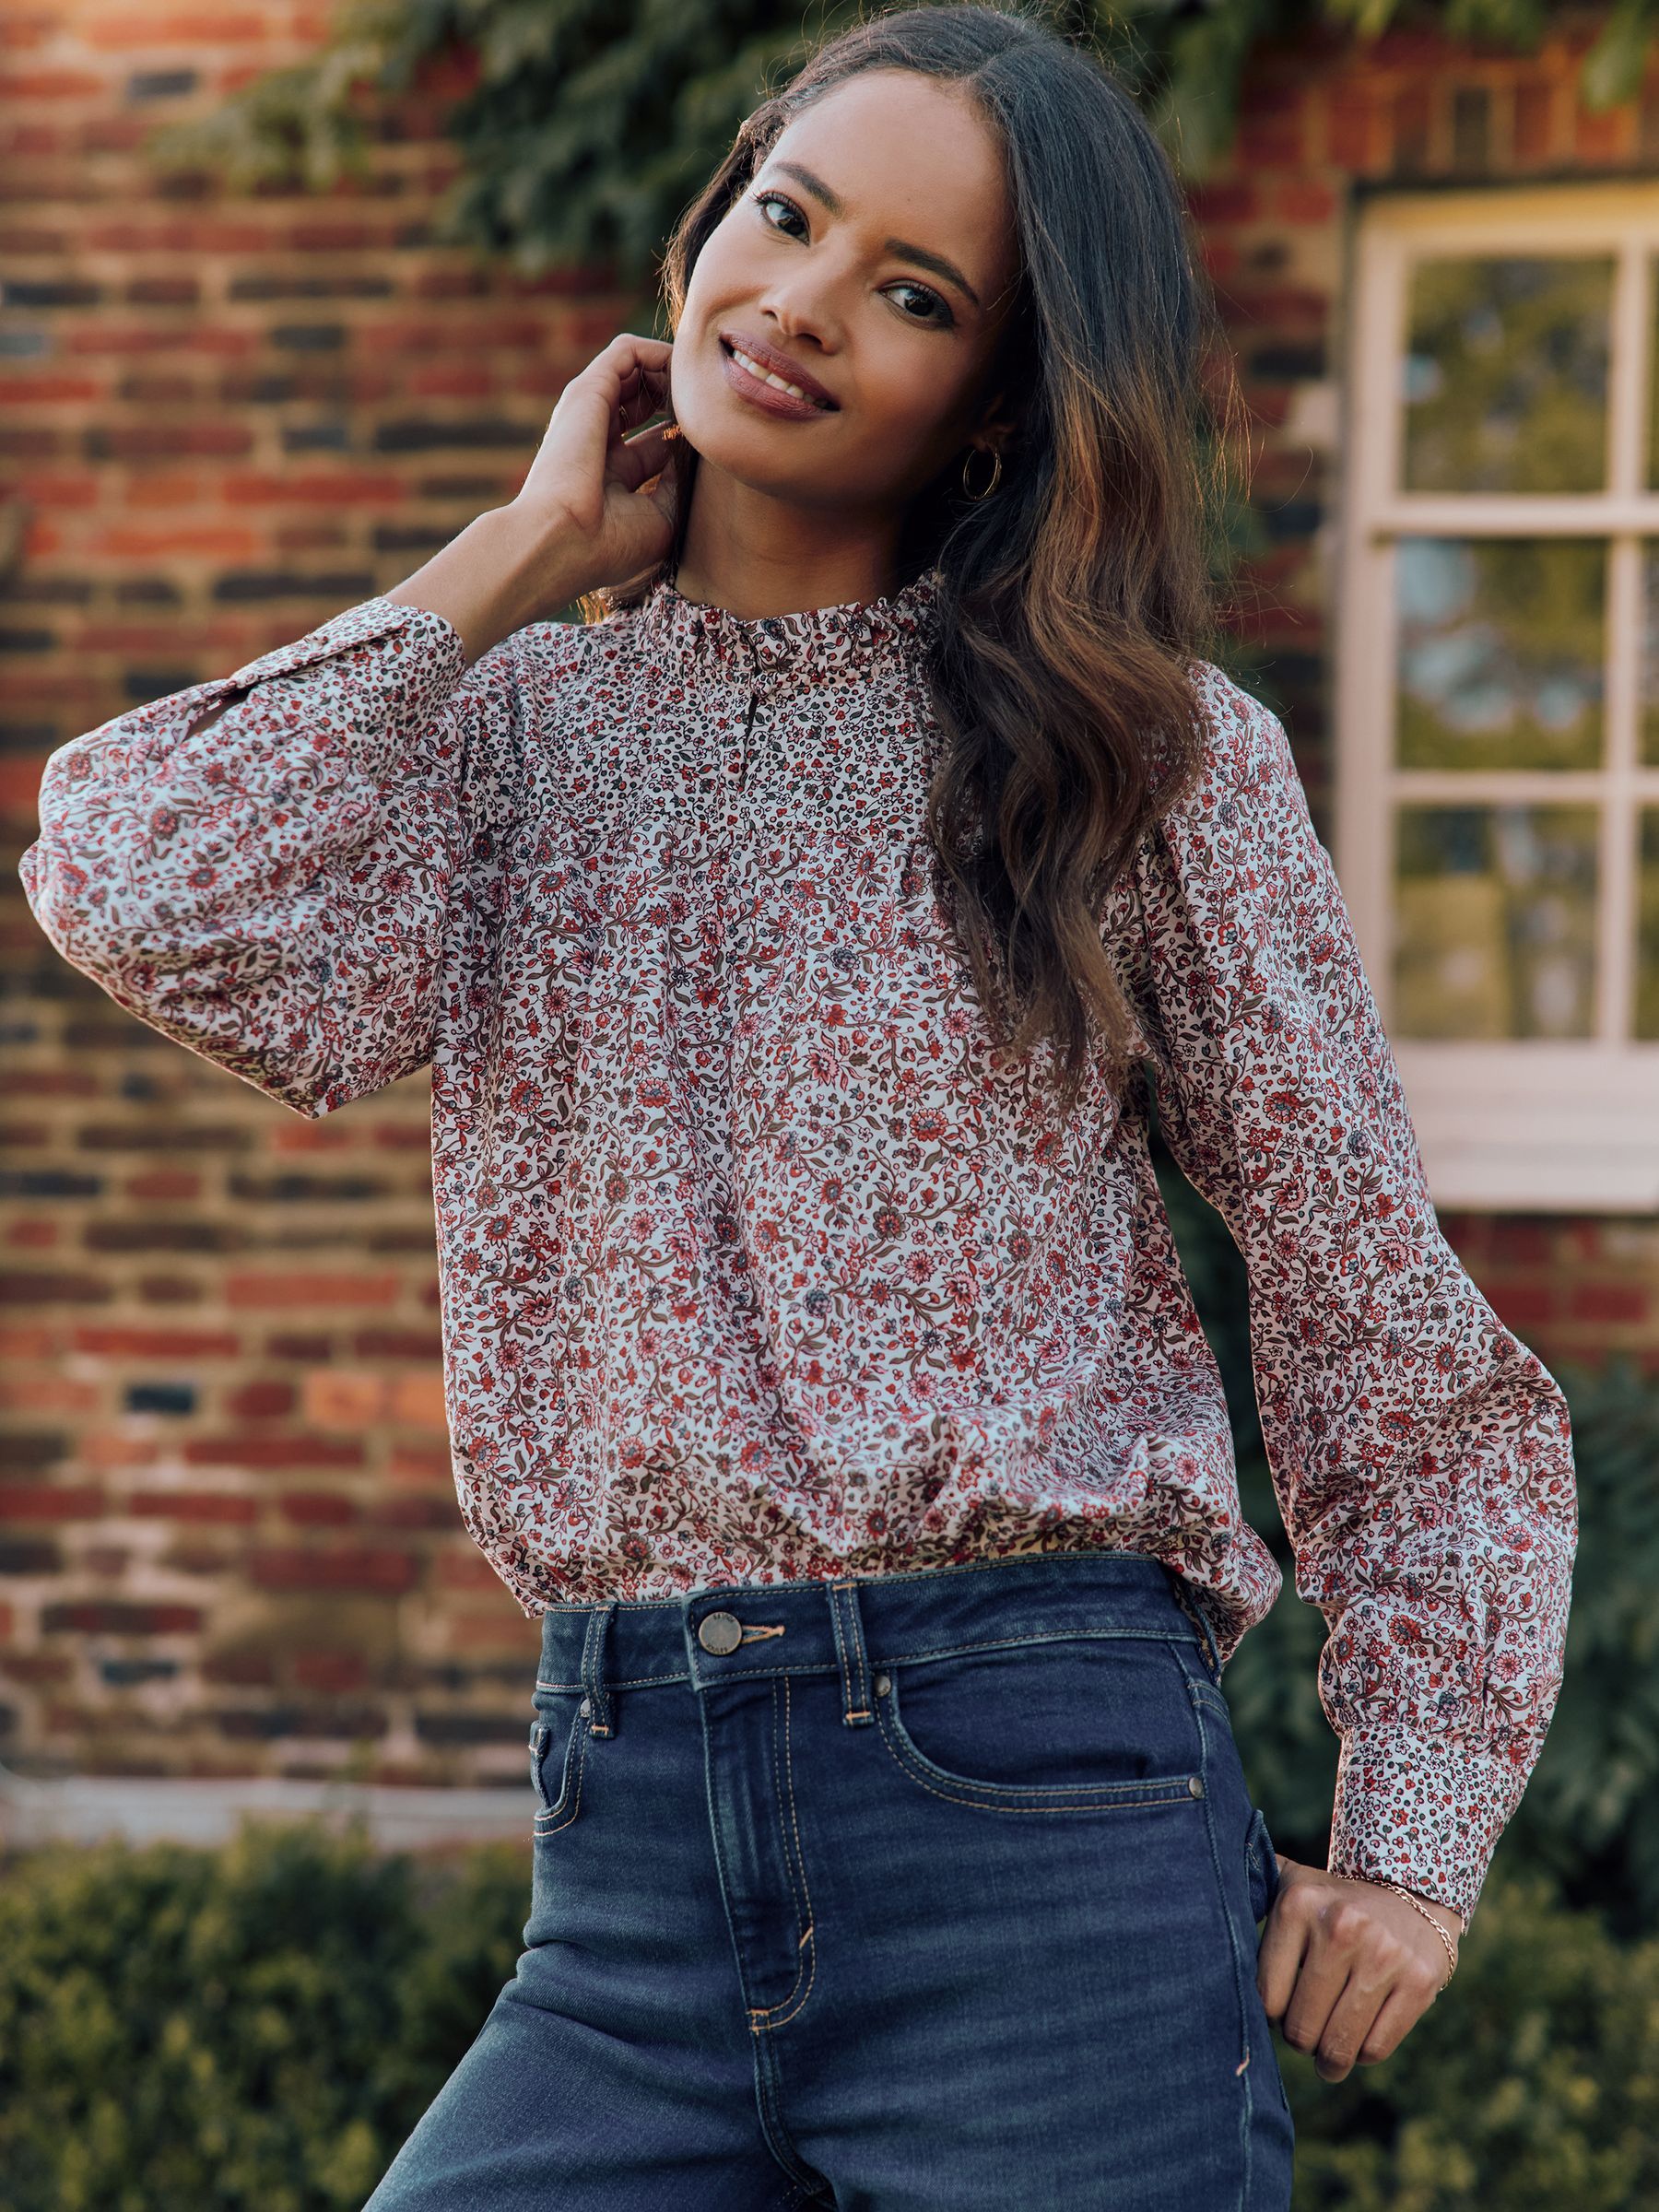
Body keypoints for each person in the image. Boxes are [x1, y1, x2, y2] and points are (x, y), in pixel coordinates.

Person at [18, 6, 1576, 2206]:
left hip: (1039, 1818)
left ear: (1000, 404)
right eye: (789, 215)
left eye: (914, 295)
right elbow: (130, 878)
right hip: (631, 1836)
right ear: (707, 228)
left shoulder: (1140, 756)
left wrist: (1411, 1844)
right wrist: (525, 548)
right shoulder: (504, 735)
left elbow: (1368, 1311)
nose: (807, 306)